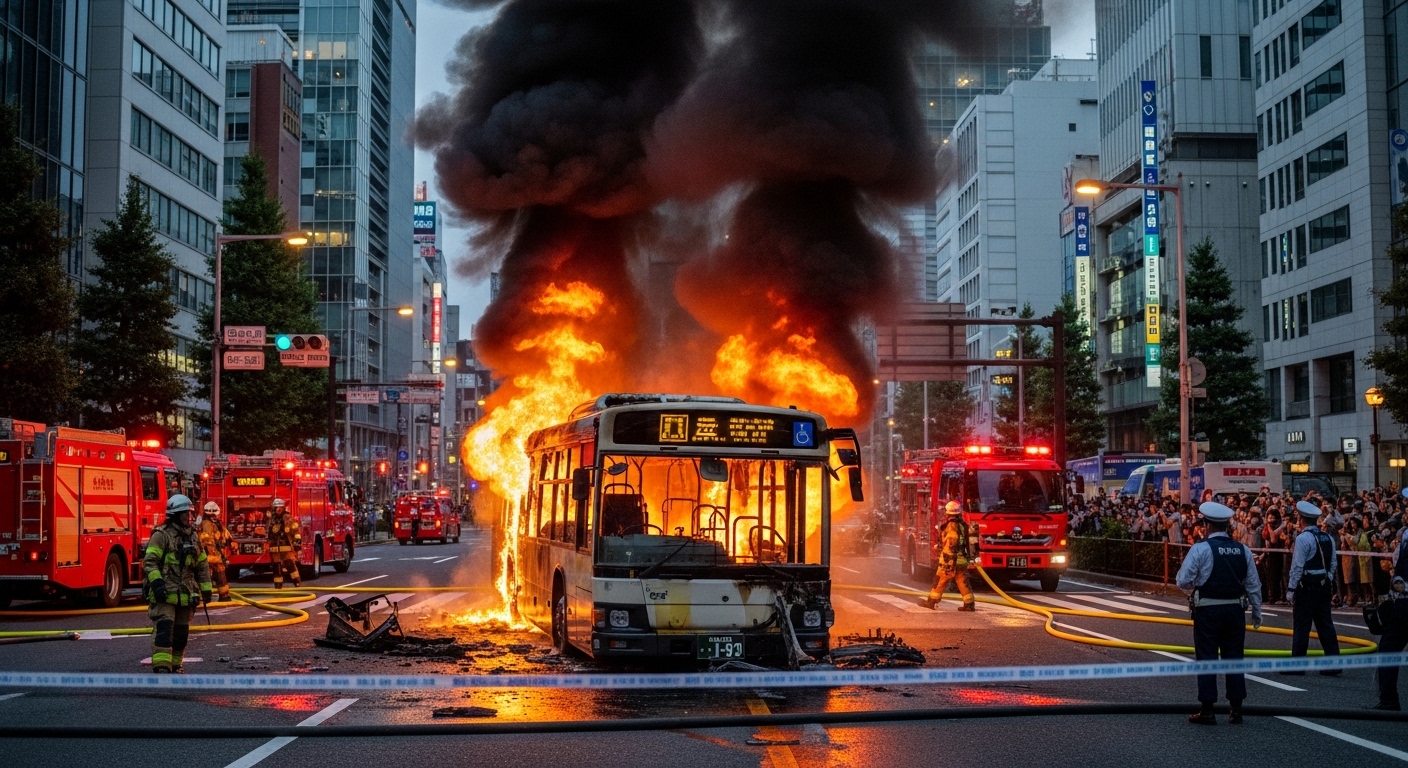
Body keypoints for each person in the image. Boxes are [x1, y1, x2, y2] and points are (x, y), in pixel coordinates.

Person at [1176, 501, 1263, 725]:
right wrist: (1257, 611)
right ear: (1227, 525)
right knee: (1234, 658)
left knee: (1207, 658)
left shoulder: (1201, 548)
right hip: (1235, 609)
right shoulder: (1243, 550)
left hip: (1208, 610)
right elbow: (1254, 584)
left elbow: (1182, 580)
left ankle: (1207, 710)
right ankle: (1236, 709)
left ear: (1206, 524)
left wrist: (1194, 592)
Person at [142, 494, 212, 674]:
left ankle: (176, 665)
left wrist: (206, 589)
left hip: (186, 594)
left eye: (190, 514)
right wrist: (157, 584)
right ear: (175, 515)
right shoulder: (161, 535)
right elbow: (150, 562)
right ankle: (162, 666)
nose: (188, 518)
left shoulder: (193, 536)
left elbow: (202, 565)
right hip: (165, 593)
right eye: (184, 514)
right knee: (165, 629)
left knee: (181, 634)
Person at [1283, 499, 1341, 675]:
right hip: (1323, 585)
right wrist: (1328, 578)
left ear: (1301, 519)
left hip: (1306, 586)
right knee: (1325, 624)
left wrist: (1291, 590)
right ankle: (1334, 664)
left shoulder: (1303, 538)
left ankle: (1298, 666)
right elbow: (1333, 563)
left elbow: (1297, 566)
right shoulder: (1327, 537)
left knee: (1302, 625)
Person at [923, 501, 975, 611]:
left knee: (940, 580)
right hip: (960, 559)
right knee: (963, 582)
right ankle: (969, 604)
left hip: (950, 560)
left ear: (948, 513)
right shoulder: (962, 524)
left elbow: (952, 540)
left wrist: (947, 556)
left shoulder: (951, 525)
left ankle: (931, 601)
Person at [196, 501, 232, 601]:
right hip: (209, 555)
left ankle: (213, 596)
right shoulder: (206, 524)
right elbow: (208, 542)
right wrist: (217, 555)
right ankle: (221, 596)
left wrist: (230, 541)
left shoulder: (213, 523)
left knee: (207, 576)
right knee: (212, 575)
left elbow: (224, 534)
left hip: (208, 555)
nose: (216, 516)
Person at [268, 498, 302, 589]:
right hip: (275, 548)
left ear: (282, 508)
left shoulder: (287, 518)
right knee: (276, 567)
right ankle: (278, 586)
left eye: (277, 508)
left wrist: (297, 542)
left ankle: (297, 582)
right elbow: (270, 533)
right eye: (275, 508)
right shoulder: (272, 520)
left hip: (286, 546)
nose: (276, 510)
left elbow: (295, 531)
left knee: (290, 565)